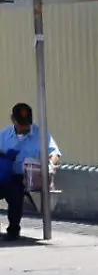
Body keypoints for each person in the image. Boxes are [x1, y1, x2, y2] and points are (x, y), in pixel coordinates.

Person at [0, 103, 60, 241]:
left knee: (15, 192)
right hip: (5, 175)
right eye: (20, 123)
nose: (24, 127)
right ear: (13, 120)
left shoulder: (41, 135)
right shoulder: (4, 135)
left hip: (27, 177)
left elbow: (54, 153)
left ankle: (13, 229)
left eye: (26, 124)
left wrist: (51, 164)